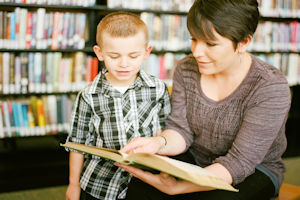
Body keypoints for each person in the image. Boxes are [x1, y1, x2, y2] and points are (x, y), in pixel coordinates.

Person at [116, 0, 291, 200]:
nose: (197, 52)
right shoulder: (186, 69)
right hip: (196, 159)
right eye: (194, 39)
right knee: (139, 185)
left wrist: (178, 187)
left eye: (210, 44)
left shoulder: (269, 87)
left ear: (243, 43)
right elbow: (181, 130)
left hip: (254, 170)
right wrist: (158, 143)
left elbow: (239, 163)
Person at [65, 12, 171, 200]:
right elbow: (77, 144)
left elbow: (166, 132)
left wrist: (166, 173)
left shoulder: (158, 88)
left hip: (145, 181)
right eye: (114, 56)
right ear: (99, 53)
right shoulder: (89, 95)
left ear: (146, 52)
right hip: (100, 183)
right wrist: (73, 185)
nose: (124, 64)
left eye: (133, 56)